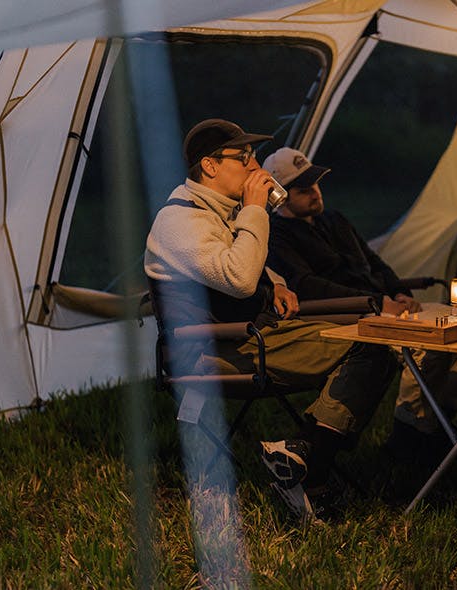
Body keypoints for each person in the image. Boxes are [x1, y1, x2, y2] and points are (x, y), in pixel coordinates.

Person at [144, 119, 397, 520]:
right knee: (369, 348)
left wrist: (275, 283)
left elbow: (247, 266)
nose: (252, 166)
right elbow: (239, 277)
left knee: (377, 341)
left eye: (253, 156)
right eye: (243, 157)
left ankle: (303, 454)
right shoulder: (179, 221)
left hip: (250, 334)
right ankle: (310, 467)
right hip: (211, 349)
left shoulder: (220, 212)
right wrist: (256, 210)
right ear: (209, 166)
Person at [263, 147, 457, 461]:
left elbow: (374, 263)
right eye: (304, 189)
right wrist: (374, 303)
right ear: (279, 194)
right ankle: (410, 436)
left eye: (316, 184)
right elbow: (306, 286)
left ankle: (434, 423)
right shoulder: (278, 235)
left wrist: (399, 291)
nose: (315, 193)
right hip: (349, 314)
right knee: (429, 346)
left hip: (384, 304)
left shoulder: (334, 220)